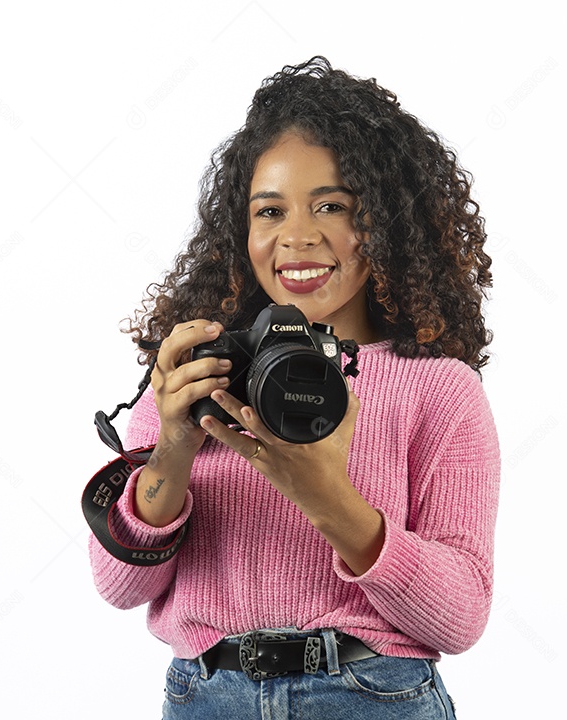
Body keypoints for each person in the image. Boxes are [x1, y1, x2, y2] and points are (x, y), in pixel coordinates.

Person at [89, 56, 499, 719]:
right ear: (241, 231)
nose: (298, 238)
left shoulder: (438, 392)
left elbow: (459, 617)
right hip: (207, 697)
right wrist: (171, 446)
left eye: (332, 206)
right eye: (269, 210)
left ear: (384, 222)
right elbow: (118, 585)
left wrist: (324, 494)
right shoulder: (198, 372)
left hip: (372, 697)